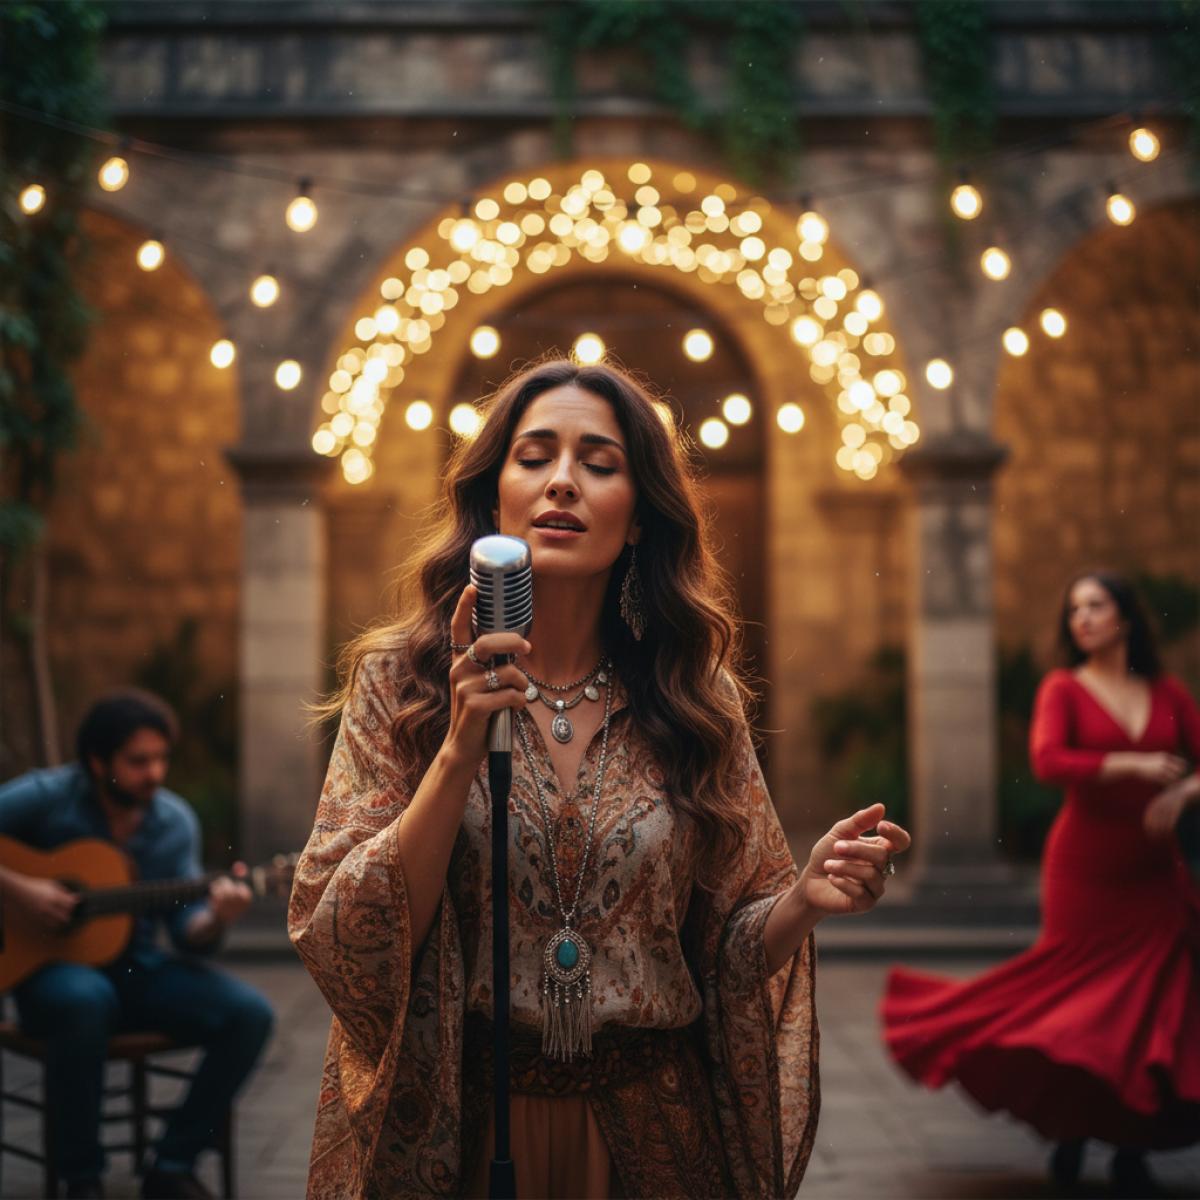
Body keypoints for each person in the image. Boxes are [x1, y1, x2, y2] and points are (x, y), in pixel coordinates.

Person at [288, 359, 912, 1200]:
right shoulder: (402, 684)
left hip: (654, 1137)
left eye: (600, 463)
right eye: (535, 456)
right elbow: (347, 932)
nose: (563, 483)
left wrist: (804, 897)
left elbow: (721, 950)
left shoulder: (694, 694)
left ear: (641, 517)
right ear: (493, 499)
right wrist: (461, 744)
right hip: (466, 1132)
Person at [882, 571, 1200, 1199]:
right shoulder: (1064, 688)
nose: (1082, 618)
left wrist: (1190, 787)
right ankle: (1075, 1130)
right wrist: (1128, 762)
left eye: (1096, 605)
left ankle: (1130, 1145)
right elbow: (1048, 761)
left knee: (1143, 1007)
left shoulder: (1167, 692)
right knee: (1083, 1003)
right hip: (1087, 868)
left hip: (1155, 872)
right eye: (1074, 608)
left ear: (1125, 618)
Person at [0, 689, 275, 1200]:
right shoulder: (46, 795)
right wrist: (23, 889)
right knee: (86, 999)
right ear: (96, 760)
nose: (155, 773)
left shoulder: (172, 821)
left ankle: (171, 1164)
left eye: (161, 759)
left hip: (137, 969)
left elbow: (188, 934)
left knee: (250, 1013)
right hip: (48, 972)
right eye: (138, 761)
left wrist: (215, 918)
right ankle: (82, 1177)